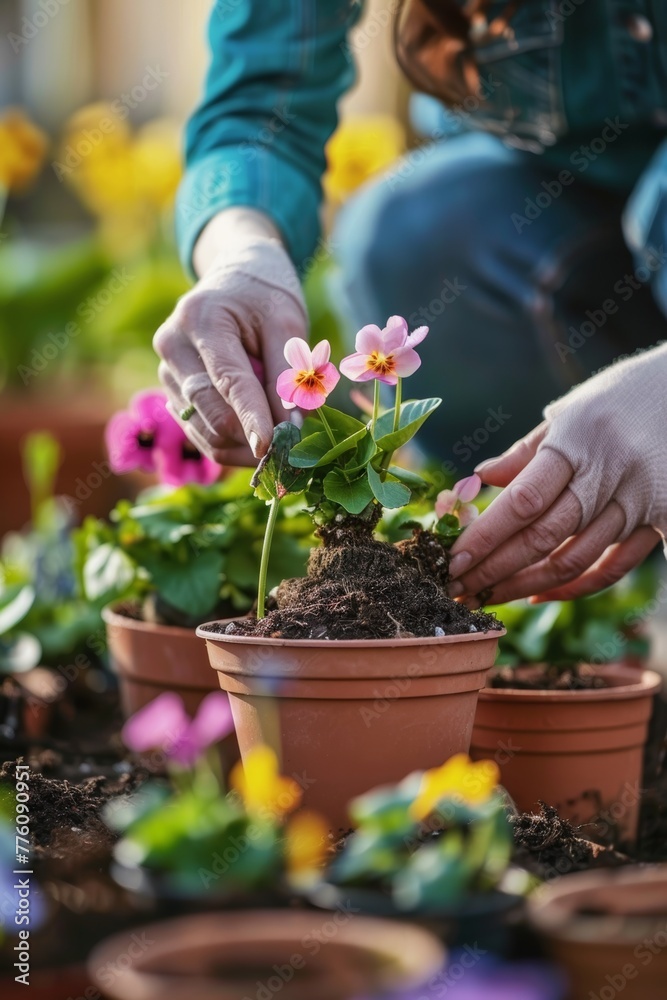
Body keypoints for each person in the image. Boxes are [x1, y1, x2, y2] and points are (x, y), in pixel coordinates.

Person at [155, 0, 667, 597]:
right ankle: (614, 580)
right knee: (406, 237)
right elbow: (259, 106)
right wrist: (239, 250)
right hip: (552, 204)